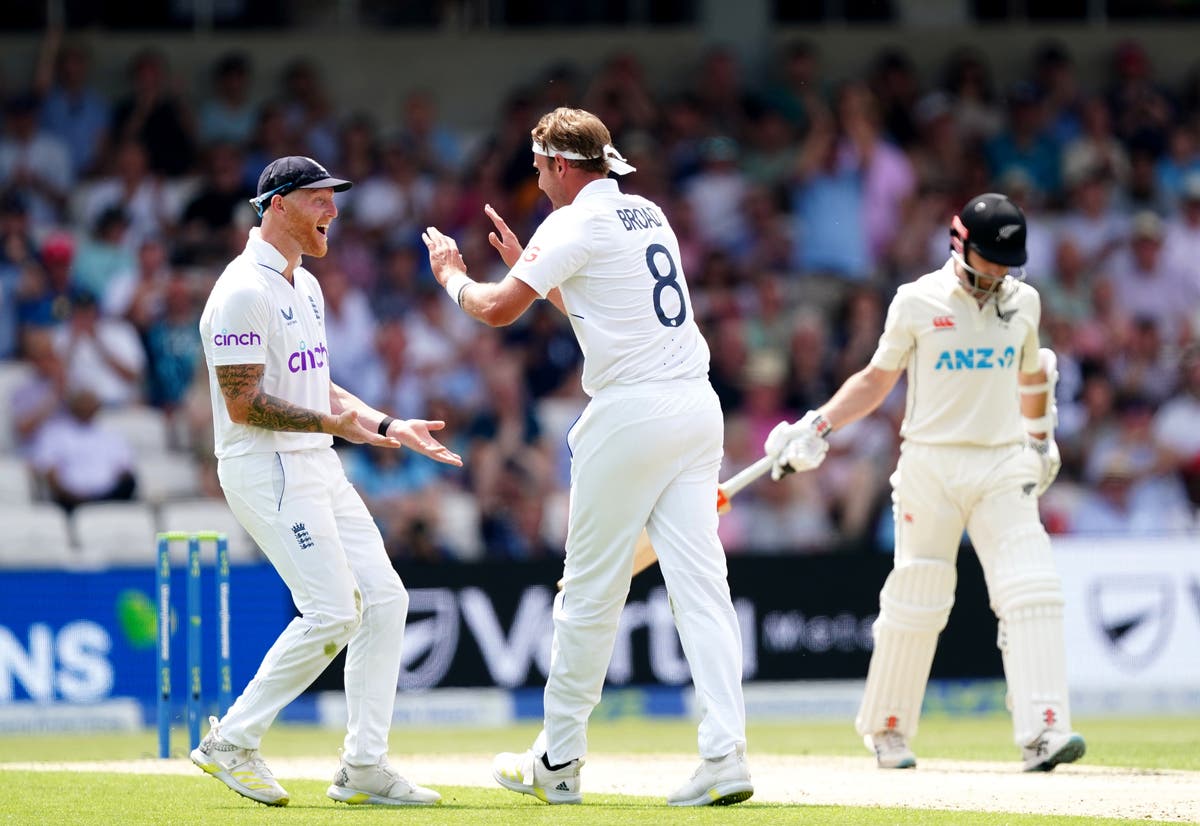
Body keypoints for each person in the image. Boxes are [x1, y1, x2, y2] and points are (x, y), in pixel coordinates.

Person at [422, 107, 753, 807]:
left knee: (587, 595)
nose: (536, 181)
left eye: (540, 168)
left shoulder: (572, 223)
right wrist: (533, 270)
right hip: (696, 408)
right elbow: (609, 304)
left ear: (563, 165)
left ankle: (559, 760)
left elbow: (493, 310)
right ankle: (726, 755)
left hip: (631, 414)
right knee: (703, 589)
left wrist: (450, 274)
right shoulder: (647, 213)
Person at [764, 192, 1087, 772]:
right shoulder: (916, 301)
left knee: (1031, 589)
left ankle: (1044, 731)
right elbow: (875, 379)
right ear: (960, 247)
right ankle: (887, 729)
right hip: (930, 466)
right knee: (919, 594)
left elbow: (1033, 372)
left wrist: (1041, 439)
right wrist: (819, 423)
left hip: (1001, 462)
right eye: (988, 263)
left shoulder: (1024, 302)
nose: (997, 277)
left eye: (1006, 267)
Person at [191, 155, 461, 808]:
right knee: (335, 611)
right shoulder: (240, 291)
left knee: (386, 600)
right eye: (319, 200)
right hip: (268, 467)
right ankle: (230, 741)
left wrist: (387, 424)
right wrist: (335, 425)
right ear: (277, 206)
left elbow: (319, 384)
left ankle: (364, 767)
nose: (332, 213)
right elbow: (242, 402)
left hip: (317, 462)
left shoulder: (304, 285)